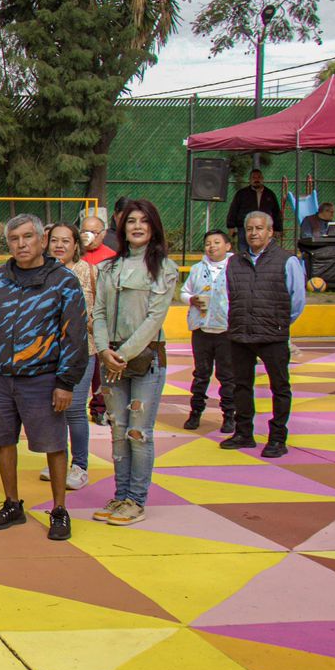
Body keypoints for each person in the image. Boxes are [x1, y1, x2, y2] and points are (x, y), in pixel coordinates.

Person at [0, 214, 87, 542]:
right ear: (7, 244)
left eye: (28, 237)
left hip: (43, 378)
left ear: (41, 241)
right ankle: (12, 504)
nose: (21, 244)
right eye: (14, 239)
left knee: (54, 445)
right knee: (3, 441)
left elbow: (75, 334)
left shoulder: (63, 281)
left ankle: (59, 509)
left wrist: (66, 382)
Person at [90, 200, 180, 526]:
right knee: (118, 431)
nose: (137, 226)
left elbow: (154, 319)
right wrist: (103, 350)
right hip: (110, 358)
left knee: (139, 432)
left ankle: (136, 500)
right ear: (122, 227)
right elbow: (97, 312)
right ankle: (120, 495)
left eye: (144, 221)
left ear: (153, 226)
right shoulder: (108, 269)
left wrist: (122, 355)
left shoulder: (164, 269)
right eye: (131, 221)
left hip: (146, 360)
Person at [222, 210, 305, 458]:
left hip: (273, 335)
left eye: (259, 228)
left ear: (270, 232)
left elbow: (297, 300)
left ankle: (278, 438)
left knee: (279, 387)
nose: (254, 233)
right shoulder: (234, 261)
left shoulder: (287, 260)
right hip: (240, 335)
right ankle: (243, 433)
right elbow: (230, 294)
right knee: (241, 386)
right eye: (249, 229)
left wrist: (278, 323)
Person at [45, 223, 97, 491]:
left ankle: (80, 465)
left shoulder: (88, 272)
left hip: (81, 352)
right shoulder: (43, 273)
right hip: (48, 353)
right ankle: (58, 459)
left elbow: (100, 310)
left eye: (66, 241)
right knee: (53, 409)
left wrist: (88, 324)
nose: (60, 246)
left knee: (75, 408)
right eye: (55, 240)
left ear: (76, 245)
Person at [181, 229, 236, 433]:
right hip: (202, 329)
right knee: (201, 374)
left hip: (226, 330)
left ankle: (229, 415)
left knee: (227, 375)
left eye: (217, 242)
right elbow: (184, 292)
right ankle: (195, 413)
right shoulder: (197, 269)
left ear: (228, 246)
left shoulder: (235, 268)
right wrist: (191, 299)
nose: (212, 246)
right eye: (208, 243)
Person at [226, 168, 282, 235]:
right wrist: (231, 226)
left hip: (264, 228)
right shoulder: (242, 193)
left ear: (262, 179)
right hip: (244, 228)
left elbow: (276, 212)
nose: (256, 179)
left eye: (259, 177)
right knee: (244, 246)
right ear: (249, 180)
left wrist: (277, 229)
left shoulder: (270, 194)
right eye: (254, 177)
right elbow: (233, 210)